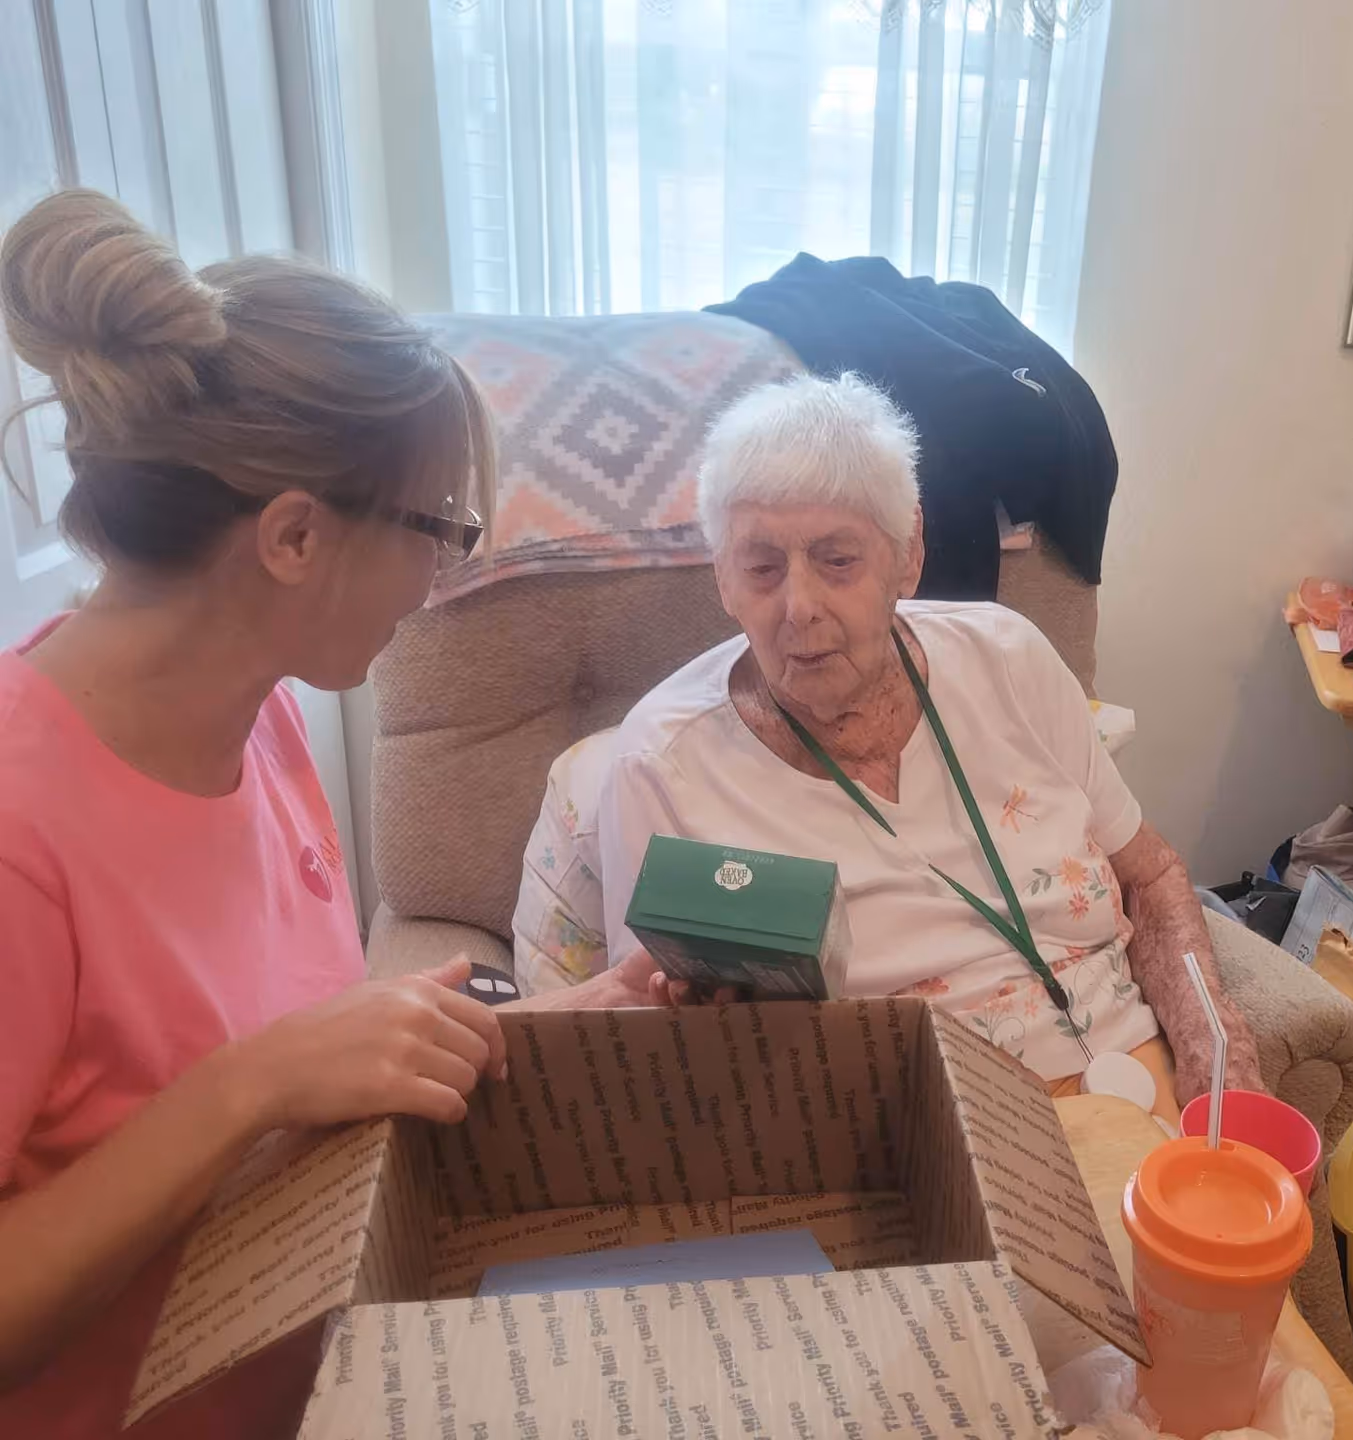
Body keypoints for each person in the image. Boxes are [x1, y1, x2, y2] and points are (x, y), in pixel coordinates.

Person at [0, 191, 642, 1439]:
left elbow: (299, 1075)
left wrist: (570, 1027)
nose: (443, 579)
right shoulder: (18, 830)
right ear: (294, 535)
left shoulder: (267, 726)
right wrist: (249, 1087)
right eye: (439, 531)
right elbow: (250, 1082)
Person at [515, 372, 1261, 1118]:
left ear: (907, 555)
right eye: (762, 567)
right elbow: (669, 1048)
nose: (799, 608)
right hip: (929, 1134)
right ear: (723, 580)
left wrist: (1216, 1056)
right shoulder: (666, 767)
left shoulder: (1009, 658)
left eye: (837, 560)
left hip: (1138, 1083)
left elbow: (1152, 874)